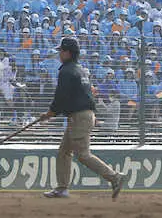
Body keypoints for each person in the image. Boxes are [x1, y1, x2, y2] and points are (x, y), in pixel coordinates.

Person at [39, 37, 125, 199]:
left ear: (68, 53)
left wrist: (49, 114)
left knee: (83, 155)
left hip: (79, 117)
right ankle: (62, 188)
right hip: (83, 115)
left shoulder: (66, 71)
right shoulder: (80, 70)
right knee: (64, 151)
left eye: (62, 51)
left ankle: (114, 177)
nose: (59, 54)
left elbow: (61, 97)